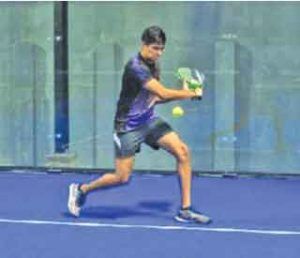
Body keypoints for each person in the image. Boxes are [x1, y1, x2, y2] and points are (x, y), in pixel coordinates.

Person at [68, 25, 211, 224]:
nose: (158, 53)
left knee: (183, 152)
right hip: (127, 126)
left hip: (149, 120)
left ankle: (185, 210)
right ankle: (82, 189)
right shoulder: (136, 67)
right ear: (143, 44)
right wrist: (189, 93)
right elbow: (163, 93)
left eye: (161, 48)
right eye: (154, 48)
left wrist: (184, 95)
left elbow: (156, 98)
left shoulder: (154, 65)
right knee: (122, 177)